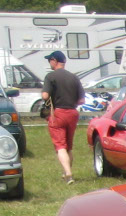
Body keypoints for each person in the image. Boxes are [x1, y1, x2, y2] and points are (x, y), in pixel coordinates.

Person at [41, 50, 84, 184]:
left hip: (58, 114)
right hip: (72, 113)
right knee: (69, 146)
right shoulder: (74, 77)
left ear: (54, 61)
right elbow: (82, 100)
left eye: (50, 60)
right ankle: (66, 172)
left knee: (60, 146)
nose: (49, 63)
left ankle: (69, 174)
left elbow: (45, 96)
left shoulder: (50, 76)